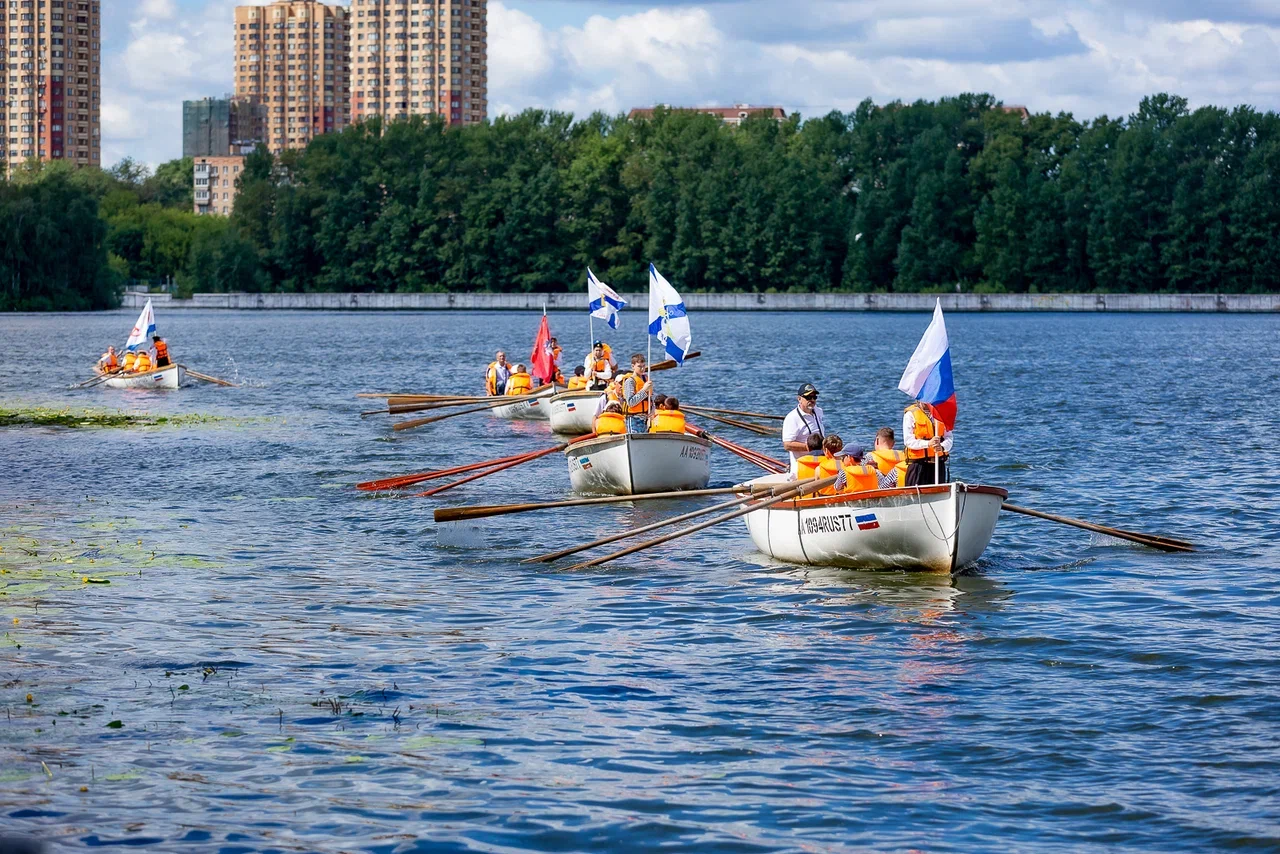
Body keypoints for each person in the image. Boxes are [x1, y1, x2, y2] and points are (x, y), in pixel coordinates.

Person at [904, 400, 952, 486]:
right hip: (918, 465)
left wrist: (942, 447)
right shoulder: (911, 414)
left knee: (939, 495)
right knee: (915, 496)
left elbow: (949, 437)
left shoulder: (941, 413)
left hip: (938, 464)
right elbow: (908, 441)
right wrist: (928, 443)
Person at [782, 383, 826, 475]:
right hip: (802, 468)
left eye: (814, 397)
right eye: (808, 397)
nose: (812, 400)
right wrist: (809, 447)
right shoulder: (792, 418)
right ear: (799, 399)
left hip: (820, 462)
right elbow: (787, 445)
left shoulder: (819, 411)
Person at [620, 354, 652, 434]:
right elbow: (631, 402)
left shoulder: (646, 380)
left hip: (645, 419)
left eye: (644, 366)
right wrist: (644, 390)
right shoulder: (630, 381)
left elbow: (650, 398)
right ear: (633, 366)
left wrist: (652, 410)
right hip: (633, 419)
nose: (642, 369)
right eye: (639, 366)